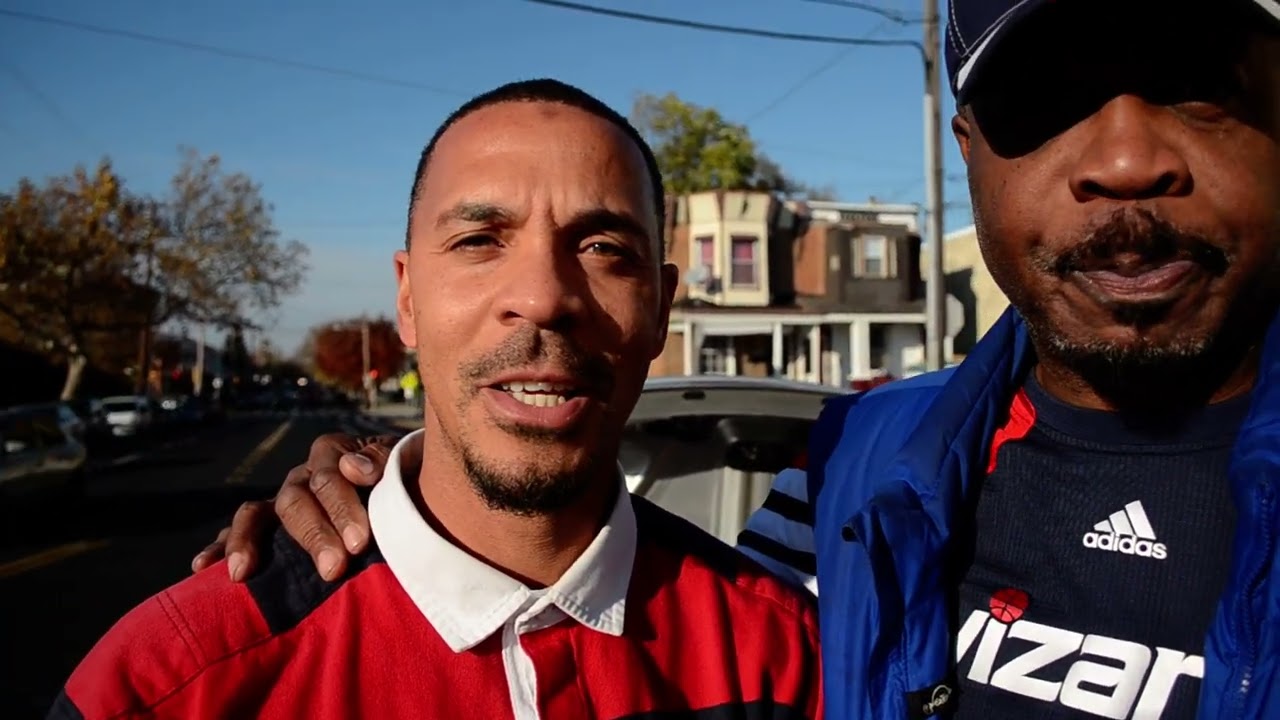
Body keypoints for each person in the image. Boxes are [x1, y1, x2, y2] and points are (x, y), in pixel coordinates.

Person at [195, 0, 1280, 718]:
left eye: (1196, 86)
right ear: (971, 154)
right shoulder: (855, 464)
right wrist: (401, 493)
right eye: (1048, 101)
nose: (1127, 160)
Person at [53, 79, 823, 720]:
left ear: (660, 309)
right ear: (407, 299)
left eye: (604, 249)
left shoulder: (793, 658)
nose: (544, 296)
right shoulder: (173, 682)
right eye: (479, 241)